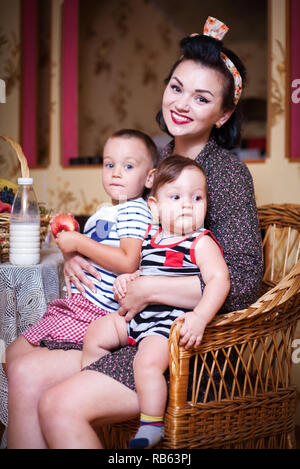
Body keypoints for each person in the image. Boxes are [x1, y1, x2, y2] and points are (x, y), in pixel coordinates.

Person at [7, 17, 263, 449]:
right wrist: (79, 253)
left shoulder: (228, 175)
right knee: (20, 367)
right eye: (176, 87)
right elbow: (121, 223)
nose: (181, 103)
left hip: (183, 348)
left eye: (201, 98)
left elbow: (242, 283)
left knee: (51, 399)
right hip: (127, 325)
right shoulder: (156, 158)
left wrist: (149, 287)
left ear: (223, 114)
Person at [5, 128, 157, 447]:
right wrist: (71, 251)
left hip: (93, 315)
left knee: (16, 359)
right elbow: (96, 253)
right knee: (12, 355)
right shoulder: (108, 210)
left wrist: (80, 243)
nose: (116, 173)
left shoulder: (134, 209)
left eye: (129, 166)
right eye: (109, 164)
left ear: (150, 177)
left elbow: (129, 260)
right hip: (77, 307)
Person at [81, 155, 230, 448]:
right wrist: (128, 279)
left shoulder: (201, 242)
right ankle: (95, 379)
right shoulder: (152, 236)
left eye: (197, 197)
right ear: (155, 207)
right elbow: (145, 270)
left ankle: (151, 423)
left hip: (166, 324)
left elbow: (219, 280)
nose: (188, 204)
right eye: (176, 197)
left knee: (147, 363)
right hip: (139, 318)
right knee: (96, 333)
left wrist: (200, 317)